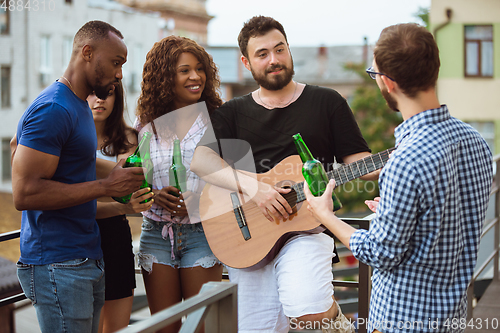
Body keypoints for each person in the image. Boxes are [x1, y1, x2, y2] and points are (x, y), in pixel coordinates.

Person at [191, 15, 378, 333]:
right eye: (262, 54)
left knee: (307, 306)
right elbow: (201, 161)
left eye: (280, 49)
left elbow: (362, 165)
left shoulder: (327, 102)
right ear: (247, 63)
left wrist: (400, 159)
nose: (274, 59)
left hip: (308, 227)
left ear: (289, 50)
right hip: (248, 239)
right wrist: (255, 189)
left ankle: (341, 327)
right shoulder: (233, 112)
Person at [303, 23, 493, 333]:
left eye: (374, 74)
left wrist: (325, 215)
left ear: (388, 83)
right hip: (453, 318)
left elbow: (381, 253)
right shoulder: (475, 141)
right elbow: (451, 220)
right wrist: (396, 212)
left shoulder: (404, 161)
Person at [12, 21, 145, 333]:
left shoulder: (78, 105)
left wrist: (120, 171)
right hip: (58, 263)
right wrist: (106, 186)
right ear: (87, 53)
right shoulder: (54, 108)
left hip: (85, 256)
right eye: (116, 63)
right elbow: (24, 194)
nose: (120, 74)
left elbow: (77, 160)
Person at [134, 36, 224, 333]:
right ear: (164, 76)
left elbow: (237, 178)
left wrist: (204, 199)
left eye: (199, 69)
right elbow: (134, 179)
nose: (195, 76)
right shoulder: (145, 125)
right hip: (156, 234)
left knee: (201, 327)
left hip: (203, 233)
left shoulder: (218, 120)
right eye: (184, 70)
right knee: (165, 328)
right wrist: (154, 194)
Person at [88, 81, 154, 333]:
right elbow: (118, 185)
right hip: (77, 235)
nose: (100, 100)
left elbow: (130, 190)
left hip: (114, 236)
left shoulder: (127, 136)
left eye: (109, 94)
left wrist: (89, 179)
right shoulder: (71, 136)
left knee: (117, 328)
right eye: (94, 93)